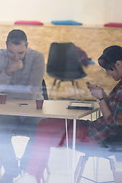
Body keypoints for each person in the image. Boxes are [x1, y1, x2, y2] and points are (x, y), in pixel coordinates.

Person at [16, 45, 122, 183]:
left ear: (118, 64)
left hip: (99, 137)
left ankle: (30, 176)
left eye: (109, 69)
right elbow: (115, 111)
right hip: (96, 130)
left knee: (44, 130)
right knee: (45, 126)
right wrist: (102, 95)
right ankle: (31, 175)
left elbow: (115, 124)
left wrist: (101, 99)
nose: (108, 74)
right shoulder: (120, 85)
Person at [0, 29, 45, 182]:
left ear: (27, 46)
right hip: (6, 110)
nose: (16, 57)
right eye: (12, 53)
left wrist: (6, 93)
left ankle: (25, 171)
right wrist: (7, 71)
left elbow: (32, 93)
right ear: (6, 46)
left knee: (40, 135)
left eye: (21, 53)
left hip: (32, 109)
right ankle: (13, 170)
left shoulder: (37, 57)